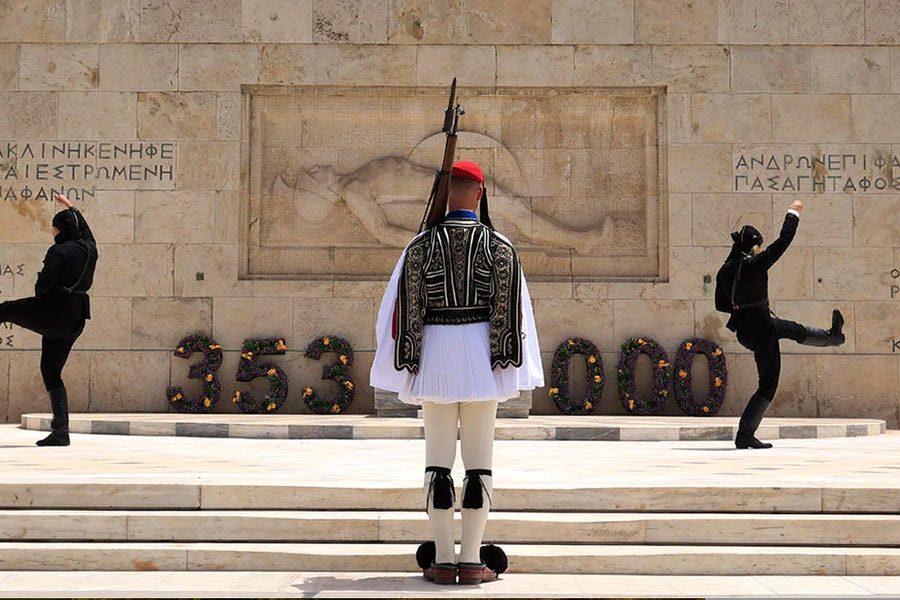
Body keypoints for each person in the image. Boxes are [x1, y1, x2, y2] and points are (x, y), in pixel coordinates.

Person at [370, 161, 543, 584]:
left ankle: (443, 560)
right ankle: (471, 560)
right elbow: (518, 316)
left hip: (435, 360)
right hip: (482, 361)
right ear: (481, 195)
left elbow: (394, 312)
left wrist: (408, 362)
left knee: (437, 464)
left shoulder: (419, 246)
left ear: (446, 195)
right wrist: (511, 367)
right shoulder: (500, 246)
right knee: (479, 465)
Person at [716, 199, 844, 449]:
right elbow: (783, 241)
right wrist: (793, 212)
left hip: (748, 329)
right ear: (754, 246)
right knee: (768, 384)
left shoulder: (725, 270)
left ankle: (833, 337)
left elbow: (721, 304)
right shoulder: (754, 265)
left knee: (792, 329)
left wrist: (746, 305)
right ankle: (745, 435)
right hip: (761, 330)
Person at [0, 193, 98, 446]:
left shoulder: (58, 251)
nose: (53, 233)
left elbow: (41, 290)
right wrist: (70, 206)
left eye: (54, 229)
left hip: (53, 314)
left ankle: (61, 430)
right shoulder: (90, 248)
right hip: (76, 319)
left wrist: (44, 280)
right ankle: (61, 431)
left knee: (4, 310)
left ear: (60, 230)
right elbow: (84, 228)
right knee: (51, 370)